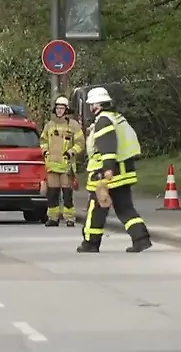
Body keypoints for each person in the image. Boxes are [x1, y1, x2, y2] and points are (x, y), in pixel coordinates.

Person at [77, 87, 151, 253]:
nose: (90, 109)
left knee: (96, 208)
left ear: (96, 105)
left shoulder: (103, 120)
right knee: (124, 207)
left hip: (108, 172)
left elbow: (107, 145)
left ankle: (90, 243)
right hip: (124, 170)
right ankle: (141, 239)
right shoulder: (117, 117)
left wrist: (108, 169)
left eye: (91, 105)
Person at [40, 96, 83, 227]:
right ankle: (53, 218)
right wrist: (45, 152)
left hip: (66, 166)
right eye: (57, 108)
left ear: (66, 110)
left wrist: (71, 152)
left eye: (62, 108)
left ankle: (69, 218)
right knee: (52, 194)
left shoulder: (73, 126)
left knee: (67, 195)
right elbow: (43, 141)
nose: (59, 111)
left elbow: (80, 143)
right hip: (52, 166)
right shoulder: (49, 125)